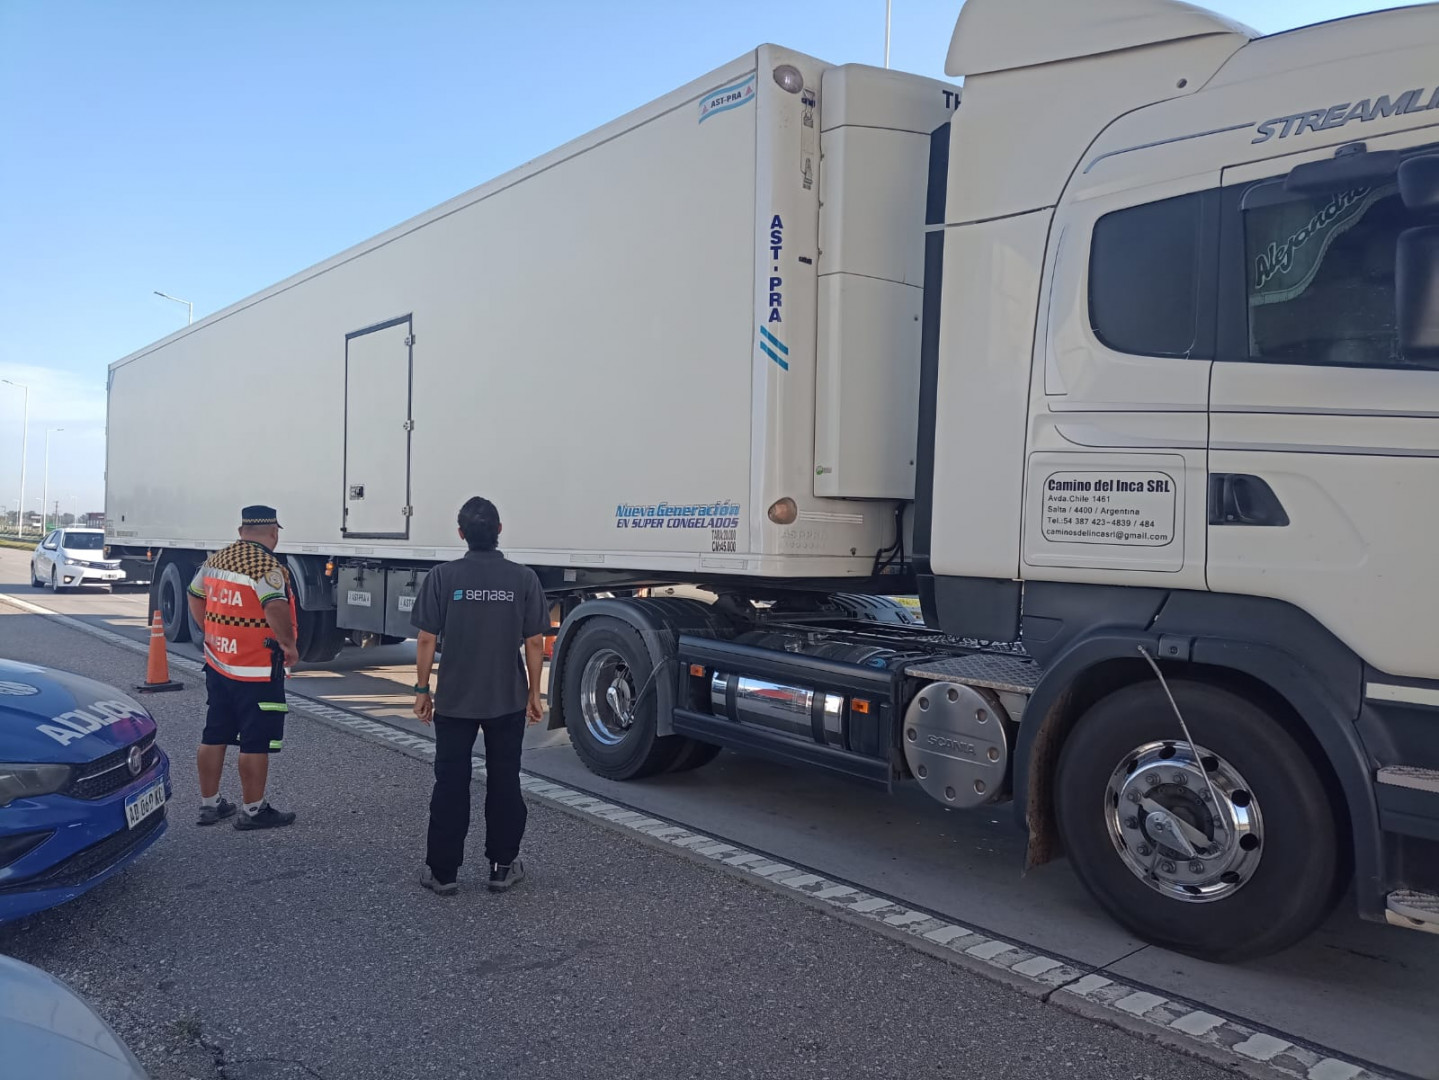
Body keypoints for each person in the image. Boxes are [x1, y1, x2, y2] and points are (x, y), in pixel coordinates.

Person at [410, 496, 547, 895]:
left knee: (451, 782)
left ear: (461, 534)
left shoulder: (442, 576)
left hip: (455, 700)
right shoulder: (523, 578)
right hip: (506, 699)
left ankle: (443, 872)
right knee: (505, 780)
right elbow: (535, 641)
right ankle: (502, 867)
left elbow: (425, 638)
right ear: (500, 531)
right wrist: (534, 694)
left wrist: (422, 690)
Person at [186, 505, 299, 830]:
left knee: (215, 731)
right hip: (256, 669)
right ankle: (253, 811)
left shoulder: (215, 560)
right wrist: (288, 645)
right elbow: (275, 606)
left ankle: (210, 805)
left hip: (219, 663)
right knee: (255, 740)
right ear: (274, 532)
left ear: (241, 531)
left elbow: (195, 596)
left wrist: (211, 632)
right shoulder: (266, 566)